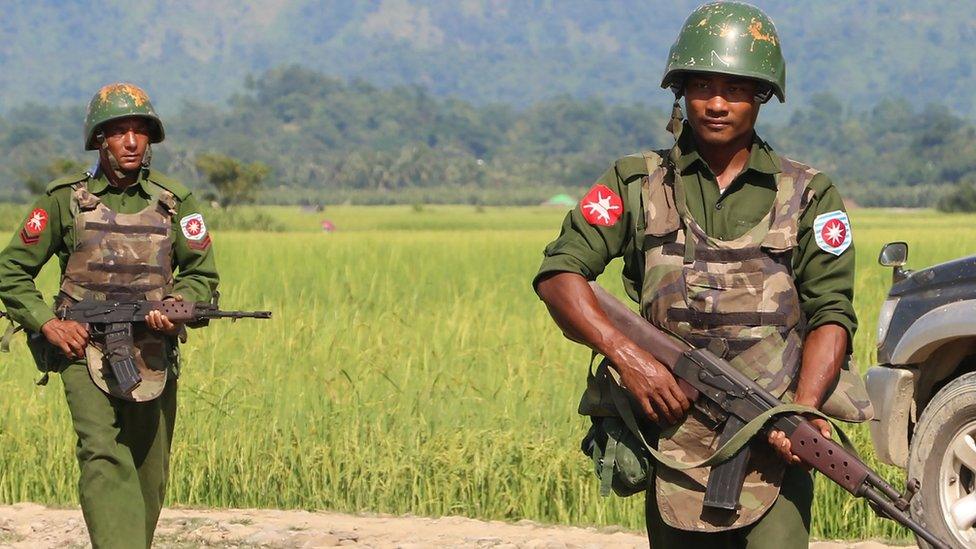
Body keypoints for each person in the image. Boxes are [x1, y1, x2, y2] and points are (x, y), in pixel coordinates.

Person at [533, 3, 871, 548]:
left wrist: (802, 412)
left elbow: (832, 312)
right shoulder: (636, 182)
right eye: (702, 85)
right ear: (679, 91)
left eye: (735, 89)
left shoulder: (809, 193)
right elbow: (559, 276)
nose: (716, 103)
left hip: (771, 445)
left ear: (762, 95)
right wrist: (630, 357)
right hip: (672, 438)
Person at [0, 83, 218, 548]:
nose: (133, 142)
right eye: (120, 131)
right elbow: (11, 271)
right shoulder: (64, 200)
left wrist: (176, 308)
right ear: (100, 139)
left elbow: (202, 274)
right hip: (81, 348)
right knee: (101, 453)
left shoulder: (176, 202)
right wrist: (48, 324)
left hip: (152, 349)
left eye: (141, 131)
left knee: (149, 465)